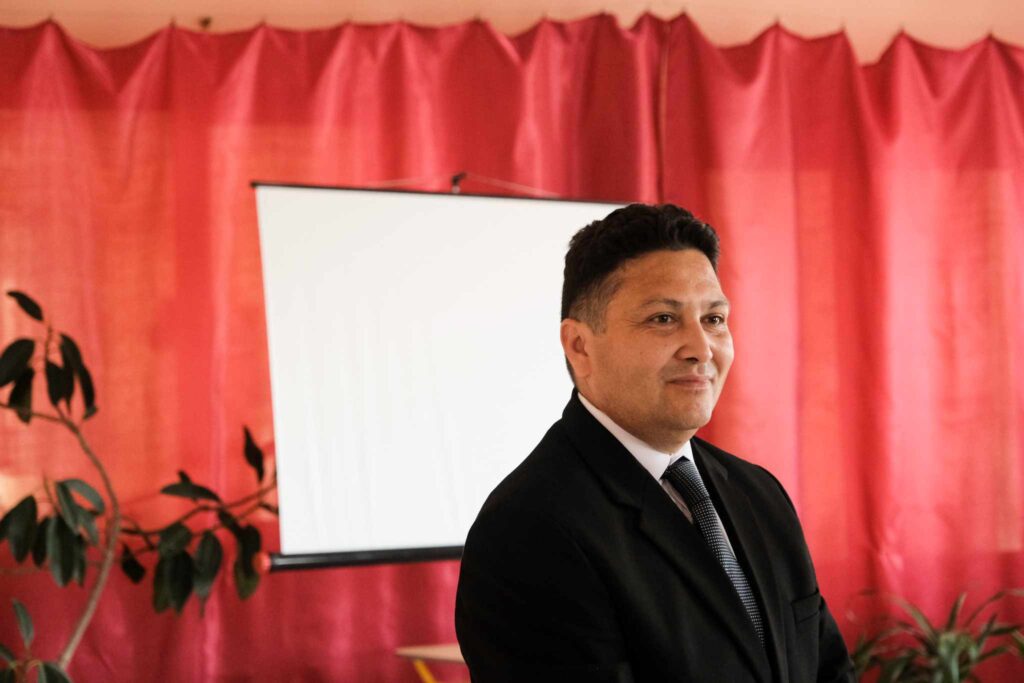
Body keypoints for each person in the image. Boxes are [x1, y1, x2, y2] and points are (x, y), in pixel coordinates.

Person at [454, 203, 854, 682]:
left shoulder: (760, 494)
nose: (701, 349)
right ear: (580, 346)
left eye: (714, 318)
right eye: (663, 319)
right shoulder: (530, 528)